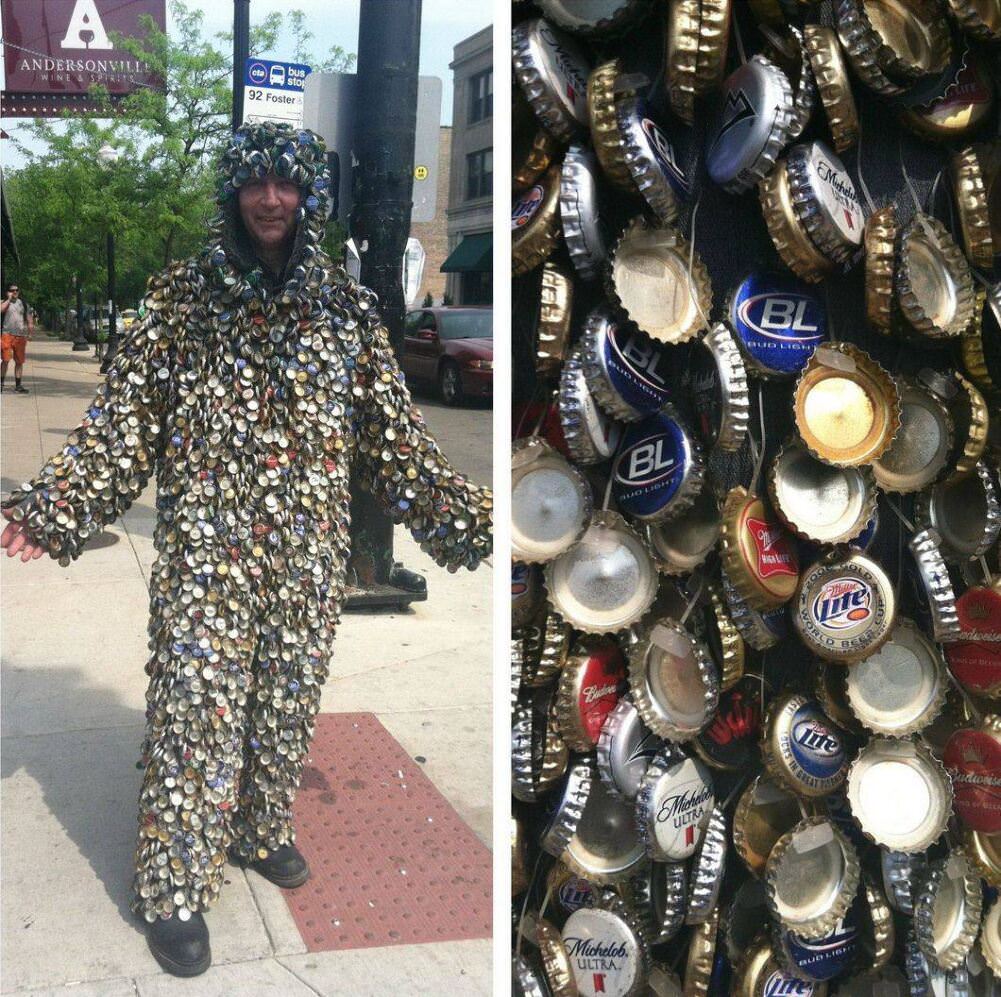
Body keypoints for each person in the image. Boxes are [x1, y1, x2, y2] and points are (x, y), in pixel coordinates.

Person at [0, 122, 492, 977]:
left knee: (283, 703)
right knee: (195, 712)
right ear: (233, 192)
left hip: (306, 556)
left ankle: (259, 826)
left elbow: (396, 443)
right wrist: (54, 507)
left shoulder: (344, 311)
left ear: (307, 195)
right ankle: (174, 883)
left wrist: (471, 520)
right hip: (206, 557)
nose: (270, 198)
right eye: (255, 182)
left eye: (285, 183)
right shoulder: (180, 302)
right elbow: (122, 426)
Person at [1, 283, 35, 393]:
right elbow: (1, 310)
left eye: (16, 290)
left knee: (19, 361)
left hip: (20, 336)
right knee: (5, 360)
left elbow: (29, 319)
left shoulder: (24, 304)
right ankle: (1, 384)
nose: (15, 292)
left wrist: (30, 332)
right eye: (12, 290)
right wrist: (8, 299)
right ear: (8, 292)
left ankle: (18, 385)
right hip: (6, 334)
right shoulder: (4, 302)